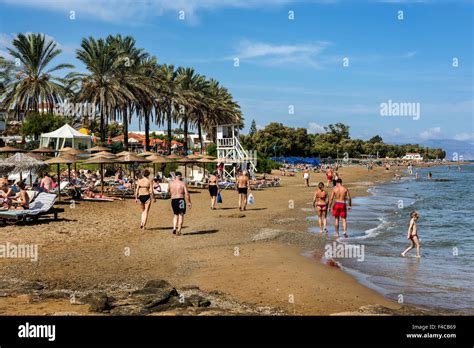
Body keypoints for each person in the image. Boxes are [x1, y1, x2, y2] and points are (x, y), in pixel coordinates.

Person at [169, 171, 191, 236]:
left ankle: (174, 228)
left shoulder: (171, 183)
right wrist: (189, 202)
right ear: (180, 176)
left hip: (173, 200)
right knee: (181, 215)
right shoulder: (182, 183)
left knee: (175, 214)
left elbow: (168, 190)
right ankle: (179, 230)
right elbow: (187, 193)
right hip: (180, 199)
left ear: (175, 176)